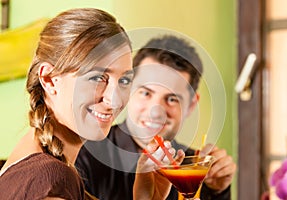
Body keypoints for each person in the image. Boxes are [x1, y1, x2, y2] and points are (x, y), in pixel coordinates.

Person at [0, 8, 181, 200]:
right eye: (97, 77)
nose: (114, 100)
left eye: (124, 81)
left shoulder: (37, 167)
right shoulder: (51, 180)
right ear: (49, 79)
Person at [75, 35, 237, 200]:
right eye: (146, 93)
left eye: (172, 99)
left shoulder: (196, 168)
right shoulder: (83, 156)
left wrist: (217, 192)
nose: (156, 112)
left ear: (192, 105)